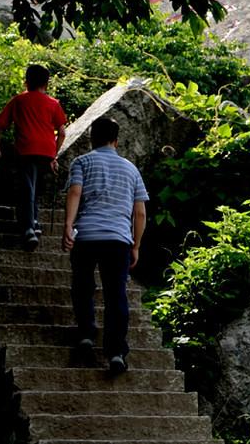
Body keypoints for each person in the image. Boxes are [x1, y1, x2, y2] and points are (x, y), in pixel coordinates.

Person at [62, 117, 147, 375]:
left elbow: (75, 192)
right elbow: (140, 212)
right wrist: (136, 245)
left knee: (83, 285)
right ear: (116, 140)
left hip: (86, 236)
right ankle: (116, 352)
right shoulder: (131, 170)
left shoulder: (82, 162)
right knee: (116, 295)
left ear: (91, 138)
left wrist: (68, 225)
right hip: (118, 239)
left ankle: (87, 334)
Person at [0, 64, 68, 250]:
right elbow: (62, 132)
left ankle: (29, 228)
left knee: (27, 187)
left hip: (25, 149)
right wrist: (54, 156)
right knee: (34, 188)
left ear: (27, 81)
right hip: (46, 151)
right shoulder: (53, 103)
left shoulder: (19, 100)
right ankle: (34, 221)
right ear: (47, 83)